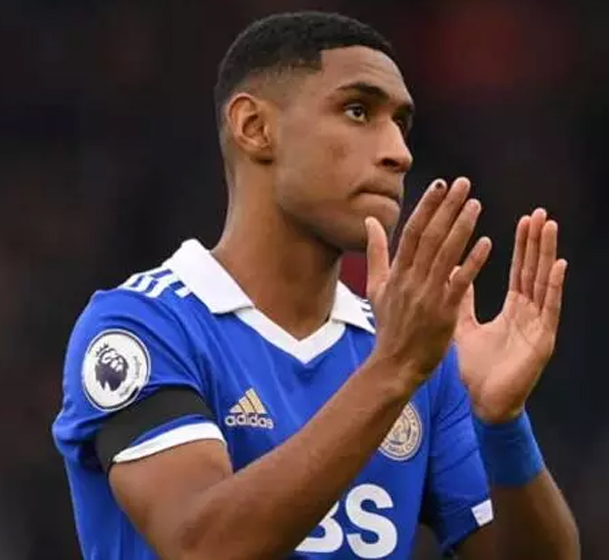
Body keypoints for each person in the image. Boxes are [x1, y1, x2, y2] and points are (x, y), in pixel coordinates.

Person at [52, 11, 579, 560]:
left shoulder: (414, 354)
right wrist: (393, 369)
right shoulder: (143, 328)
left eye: (401, 123)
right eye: (358, 111)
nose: (399, 152)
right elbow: (203, 545)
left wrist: (502, 425)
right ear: (254, 127)